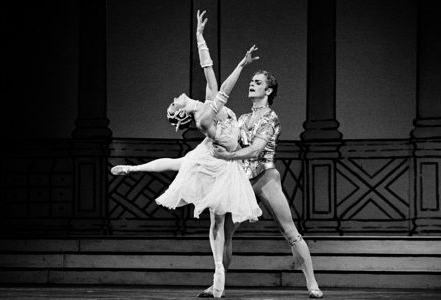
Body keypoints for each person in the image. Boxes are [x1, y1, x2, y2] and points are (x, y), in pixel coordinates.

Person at [111, 10, 262, 298]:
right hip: (217, 161)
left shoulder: (205, 104)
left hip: (222, 157)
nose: (174, 99)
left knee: (209, 208)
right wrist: (242, 64)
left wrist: (199, 37)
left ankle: (218, 275)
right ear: (181, 113)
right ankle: (218, 272)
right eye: (173, 105)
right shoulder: (204, 116)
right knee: (213, 216)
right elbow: (225, 90)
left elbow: (208, 71)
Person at [197, 70, 324, 298]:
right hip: (242, 179)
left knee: (290, 232)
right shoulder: (243, 118)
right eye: (251, 81)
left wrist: (227, 157)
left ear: (268, 90)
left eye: (258, 83)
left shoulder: (270, 118)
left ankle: (312, 284)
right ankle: (217, 284)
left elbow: (256, 149)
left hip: (265, 177)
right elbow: (230, 139)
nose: (252, 85)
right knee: (225, 231)